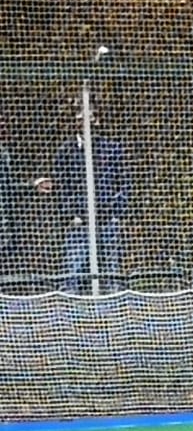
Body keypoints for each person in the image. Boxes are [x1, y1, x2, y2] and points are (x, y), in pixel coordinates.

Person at [36, 104, 132, 293]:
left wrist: (117, 211)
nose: (86, 123)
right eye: (81, 119)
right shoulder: (65, 152)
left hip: (107, 219)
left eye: (90, 118)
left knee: (112, 268)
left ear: (97, 121)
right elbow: (61, 188)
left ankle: (116, 306)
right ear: (75, 122)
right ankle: (69, 306)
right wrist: (70, 215)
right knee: (73, 269)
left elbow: (124, 182)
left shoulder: (111, 149)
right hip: (79, 221)